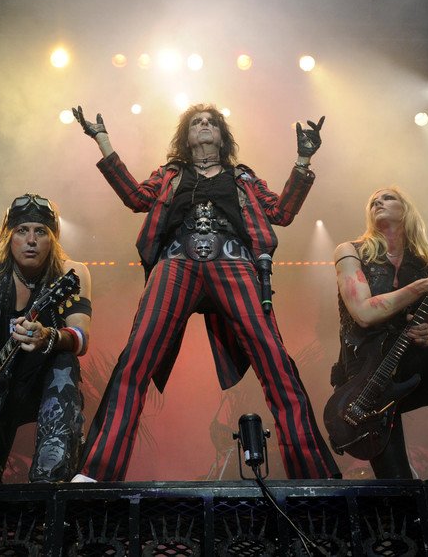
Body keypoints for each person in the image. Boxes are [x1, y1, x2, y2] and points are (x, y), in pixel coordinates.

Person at [69, 103, 339, 481]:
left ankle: (312, 475)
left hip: (234, 262)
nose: (204, 125)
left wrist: (303, 159)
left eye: (211, 122)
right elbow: (135, 197)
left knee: (275, 361)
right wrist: (103, 141)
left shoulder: (242, 177)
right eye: (197, 122)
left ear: (222, 137)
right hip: (176, 261)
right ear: (187, 136)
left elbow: (282, 212)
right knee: (135, 358)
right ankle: (96, 472)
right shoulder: (170, 174)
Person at [332, 187, 428, 480]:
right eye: (373, 201)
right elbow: (363, 313)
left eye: (387, 198)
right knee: (397, 484)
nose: (378, 202)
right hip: (363, 380)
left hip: (405, 369)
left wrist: (425, 336)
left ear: (406, 210)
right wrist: (422, 286)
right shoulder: (350, 251)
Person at [0, 194, 92, 484]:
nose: (31, 240)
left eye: (41, 232)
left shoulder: (71, 273)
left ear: (53, 239)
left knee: (64, 361)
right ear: (8, 236)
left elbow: (81, 338)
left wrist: (49, 336)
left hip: (42, 381)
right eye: (22, 230)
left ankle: (50, 476)